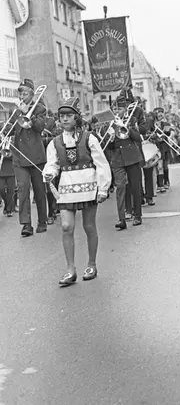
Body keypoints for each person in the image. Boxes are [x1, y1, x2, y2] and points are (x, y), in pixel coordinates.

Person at [42, 98, 111, 286]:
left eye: (68, 115)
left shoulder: (89, 138)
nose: (64, 119)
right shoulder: (55, 143)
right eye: (61, 116)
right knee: (66, 227)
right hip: (66, 188)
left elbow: (101, 164)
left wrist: (103, 188)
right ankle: (70, 269)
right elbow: (52, 164)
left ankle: (91, 264)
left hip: (88, 186)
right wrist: (49, 173)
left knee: (89, 226)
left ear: (76, 118)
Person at [10, 79, 48, 237]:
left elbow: (40, 127)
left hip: (36, 157)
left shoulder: (40, 108)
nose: (22, 94)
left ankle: (42, 221)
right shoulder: (16, 110)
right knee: (23, 189)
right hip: (19, 157)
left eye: (25, 91)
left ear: (32, 93)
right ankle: (26, 224)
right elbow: (11, 130)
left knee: (39, 190)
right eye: (20, 91)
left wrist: (27, 113)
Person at [106, 97, 145, 229]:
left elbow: (138, 138)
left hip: (132, 157)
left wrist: (124, 126)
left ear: (124, 110)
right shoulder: (110, 125)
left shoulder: (132, 121)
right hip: (118, 160)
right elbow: (109, 147)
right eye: (115, 109)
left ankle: (137, 216)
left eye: (119, 108)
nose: (117, 111)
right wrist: (111, 138)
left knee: (135, 187)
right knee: (121, 187)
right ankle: (121, 218)